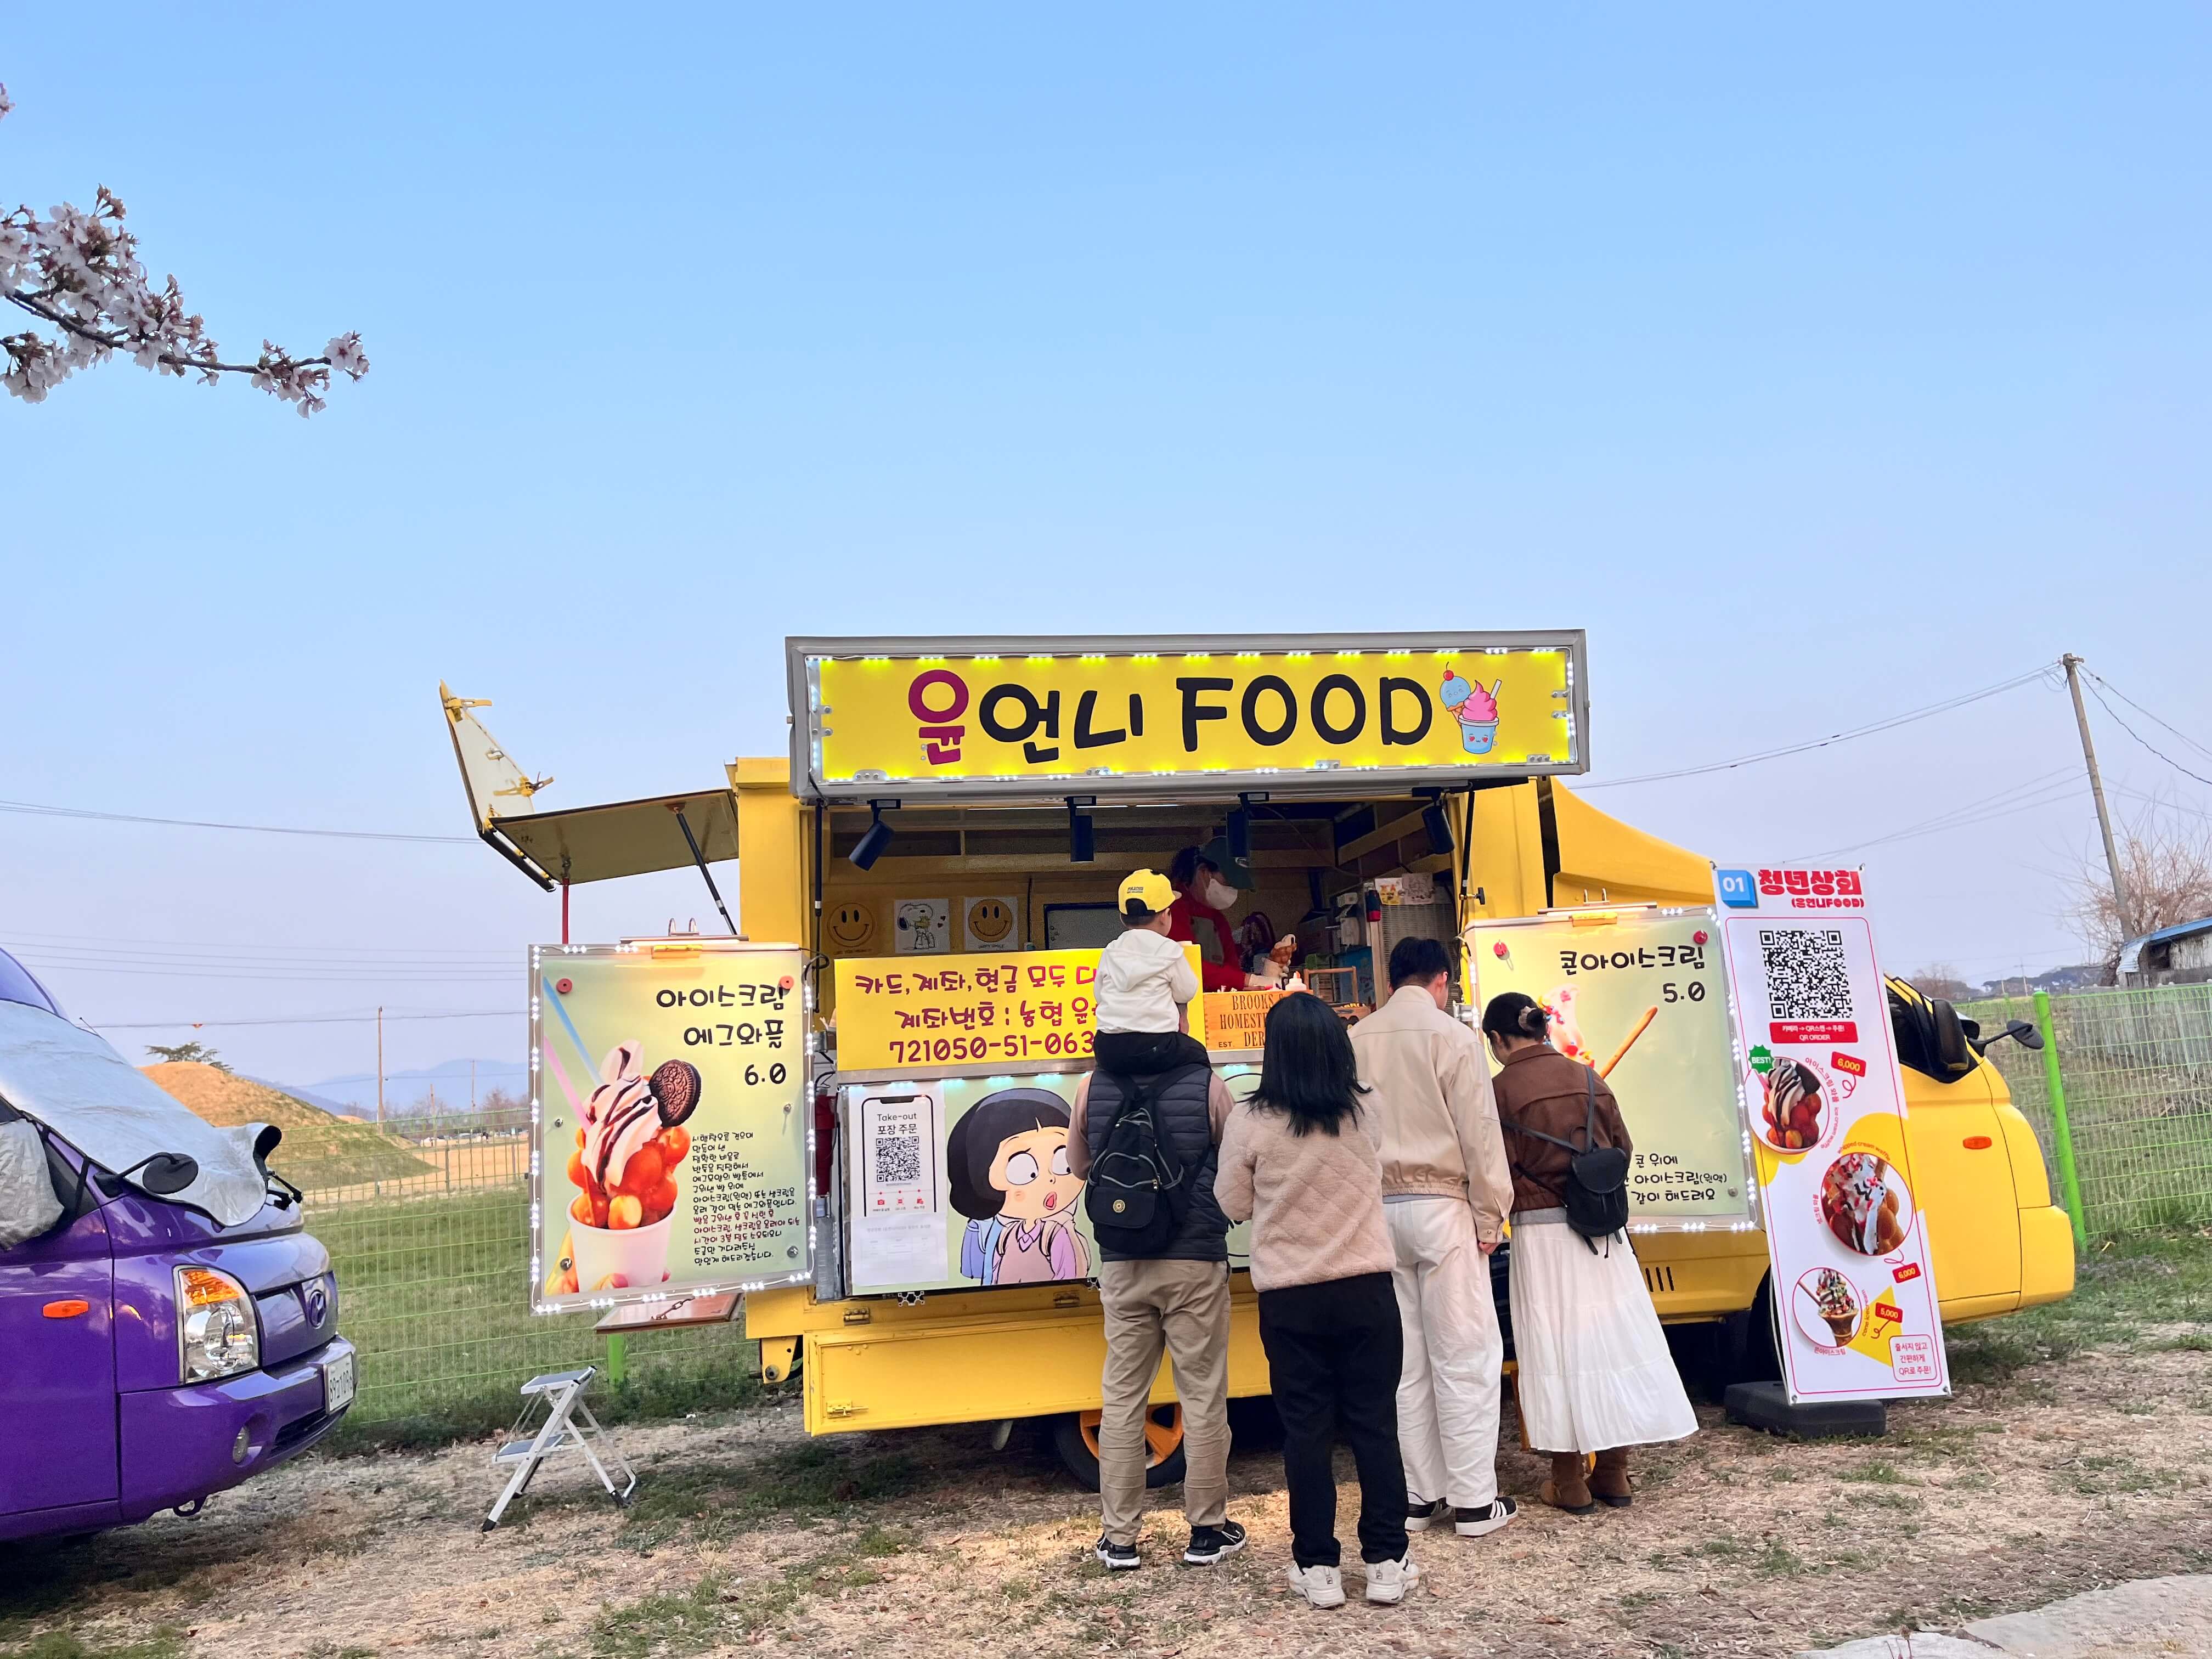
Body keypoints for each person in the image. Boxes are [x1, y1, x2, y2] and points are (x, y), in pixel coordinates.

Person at [1215, 992, 1419, 1610]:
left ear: (1273, 1054)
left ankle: (1318, 1566)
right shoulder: (1367, 1110)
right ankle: (1386, 1560)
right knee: (1375, 1427)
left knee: (1306, 1432)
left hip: (1291, 1296)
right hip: (1366, 1289)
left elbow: (1232, 1203)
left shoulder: (1250, 1121)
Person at [1481, 991, 1698, 1513]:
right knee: (1612, 1344)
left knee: (1554, 1351)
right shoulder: (1589, 1078)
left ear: (1495, 1039)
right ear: (1541, 1029)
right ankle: (1616, 1473)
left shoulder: (1497, 1092)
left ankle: (1569, 1481)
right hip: (1603, 1232)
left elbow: (1496, 1172)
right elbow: (1623, 1149)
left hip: (1542, 1237)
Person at [1350, 936, 1517, 1541]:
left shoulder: (1356, 1039)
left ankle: (1420, 1497)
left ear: (1390, 982)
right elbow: (1480, 1132)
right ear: (1441, 981)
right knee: (1465, 1354)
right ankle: (1475, 1502)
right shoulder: (1454, 1038)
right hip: (1444, 1207)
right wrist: (1491, 1213)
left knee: (1405, 1362)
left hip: (1377, 1212)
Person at [1068, 1003, 1243, 1570]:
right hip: (1194, 1261)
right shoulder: (1207, 1083)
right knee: (1203, 1393)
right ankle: (1207, 1532)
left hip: (1123, 1261)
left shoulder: (1093, 1086)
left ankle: (1119, 1540)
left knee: (1121, 1399)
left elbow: (1078, 1166)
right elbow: (1239, 1164)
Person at [1092, 868, 1211, 1076]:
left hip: (1108, 1047)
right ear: (1165, 916)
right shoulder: (1170, 951)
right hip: (1156, 1045)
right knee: (1198, 1054)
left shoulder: (1111, 951)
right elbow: (1187, 991)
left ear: (1123, 918)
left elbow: (1099, 995)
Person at [1167, 840, 1297, 993]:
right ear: (1204, 873)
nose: (1232, 890)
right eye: (1229, 882)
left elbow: (1232, 970)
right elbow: (1185, 967)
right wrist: (1249, 980)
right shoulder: (1173, 910)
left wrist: (1267, 975)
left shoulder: (1218, 920)